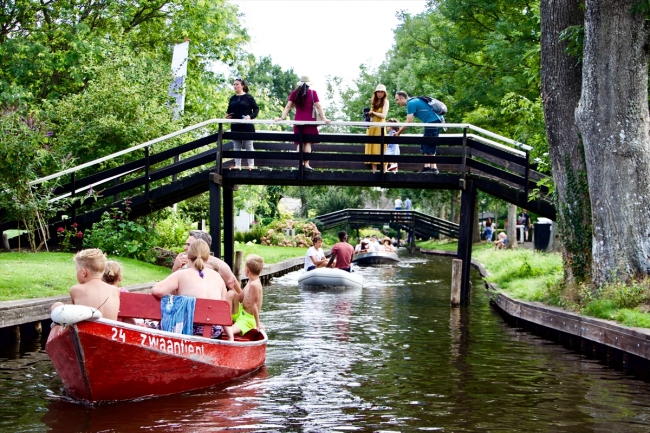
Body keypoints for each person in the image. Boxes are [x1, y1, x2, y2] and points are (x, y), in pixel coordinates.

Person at [153, 239, 228, 338]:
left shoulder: (182, 274)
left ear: (188, 256)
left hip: (189, 330)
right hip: (213, 333)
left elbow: (157, 291)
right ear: (207, 259)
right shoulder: (218, 277)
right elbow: (222, 307)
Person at [275, 76, 330, 171]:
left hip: (298, 121)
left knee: (300, 143)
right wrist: (324, 118)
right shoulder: (313, 93)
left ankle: (300, 164)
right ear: (309, 84)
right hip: (310, 122)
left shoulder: (294, 93)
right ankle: (306, 164)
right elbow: (318, 106)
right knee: (308, 143)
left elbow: (288, 106)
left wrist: (282, 118)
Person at [50, 249, 120, 321]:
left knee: (57, 305)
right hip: (109, 331)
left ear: (84, 272)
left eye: (76, 270)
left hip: (86, 331)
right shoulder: (115, 290)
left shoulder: (76, 289)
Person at [172, 230, 242, 296]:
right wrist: (175, 268)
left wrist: (231, 291)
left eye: (189, 245)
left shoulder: (220, 266)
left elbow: (240, 294)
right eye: (186, 244)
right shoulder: (183, 260)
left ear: (202, 246)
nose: (185, 248)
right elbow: (172, 293)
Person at [393, 91, 444, 174]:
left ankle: (433, 169)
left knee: (429, 144)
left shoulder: (411, 103)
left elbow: (409, 122)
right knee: (425, 144)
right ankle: (427, 167)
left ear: (402, 98)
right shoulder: (413, 101)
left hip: (433, 122)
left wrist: (398, 133)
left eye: (397, 100)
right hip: (433, 121)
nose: (397, 102)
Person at [225, 78, 259, 169]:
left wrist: (250, 116)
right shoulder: (232, 98)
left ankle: (251, 165)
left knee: (248, 145)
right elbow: (229, 111)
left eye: (237, 84)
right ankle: (237, 165)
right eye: (234, 84)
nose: (235, 86)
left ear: (242, 86)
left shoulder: (248, 97)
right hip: (235, 125)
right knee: (236, 146)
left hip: (247, 126)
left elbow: (256, 109)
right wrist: (227, 115)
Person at [230, 254, 265, 340]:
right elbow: (241, 298)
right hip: (241, 313)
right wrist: (232, 287)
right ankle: (226, 320)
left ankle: (230, 339)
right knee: (230, 294)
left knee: (228, 331)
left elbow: (254, 306)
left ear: (247, 269)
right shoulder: (250, 281)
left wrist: (258, 325)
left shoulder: (254, 285)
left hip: (247, 320)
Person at [365, 84, 390, 173]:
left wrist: (373, 113)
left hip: (380, 126)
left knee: (381, 146)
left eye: (382, 92)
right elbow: (372, 115)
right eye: (378, 92)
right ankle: (374, 170)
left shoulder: (386, 102)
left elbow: (383, 115)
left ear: (384, 93)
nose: (380, 93)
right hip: (372, 126)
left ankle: (385, 169)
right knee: (372, 146)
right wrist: (368, 115)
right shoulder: (373, 102)